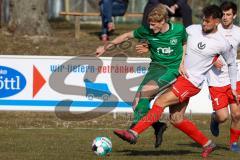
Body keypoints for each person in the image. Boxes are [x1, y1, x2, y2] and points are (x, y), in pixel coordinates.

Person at [113, 5, 238, 158]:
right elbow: (173, 41)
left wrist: (232, 86)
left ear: (217, 21)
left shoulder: (222, 43)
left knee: (160, 101)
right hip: (179, 77)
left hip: (191, 82)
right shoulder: (192, 29)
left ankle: (133, 132)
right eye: (203, 20)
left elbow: (231, 64)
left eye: (207, 22)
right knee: (176, 119)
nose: (204, 24)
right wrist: (149, 46)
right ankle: (208, 144)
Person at [96, 4, 187, 148]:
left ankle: (133, 130)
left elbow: (184, 44)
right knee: (136, 104)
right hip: (155, 68)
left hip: (171, 69)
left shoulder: (179, 29)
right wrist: (104, 47)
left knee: (145, 92)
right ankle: (158, 126)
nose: (150, 28)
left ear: (163, 21)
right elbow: (126, 36)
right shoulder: (147, 31)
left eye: (153, 25)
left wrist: (182, 63)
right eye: (149, 24)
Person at [206, 1, 240, 152]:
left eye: (228, 14)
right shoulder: (212, 30)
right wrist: (213, 60)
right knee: (223, 117)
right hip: (216, 79)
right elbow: (201, 50)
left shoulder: (238, 32)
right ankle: (215, 118)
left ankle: (233, 143)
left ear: (235, 15)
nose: (225, 17)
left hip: (234, 78)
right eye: (223, 14)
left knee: (237, 114)